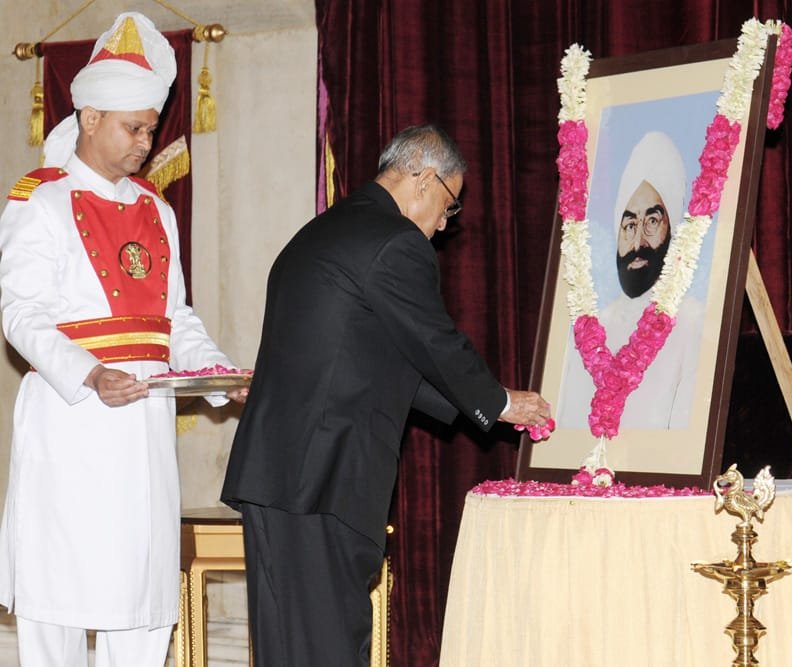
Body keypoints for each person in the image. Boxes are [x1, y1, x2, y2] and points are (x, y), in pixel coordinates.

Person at [221, 124, 552, 665]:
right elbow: (435, 341)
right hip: (324, 479)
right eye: (449, 205)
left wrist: (472, 407)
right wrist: (498, 402)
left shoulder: (321, 231)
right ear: (424, 178)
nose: (444, 224)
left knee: (285, 649)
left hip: (277, 477)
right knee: (329, 648)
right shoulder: (394, 241)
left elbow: (375, 360)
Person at [0, 12, 246, 666]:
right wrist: (88, 372)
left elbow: (175, 319)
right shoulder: (39, 202)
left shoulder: (156, 209)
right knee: (58, 593)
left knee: (140, 595)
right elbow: (21, 313)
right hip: (70, 420)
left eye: (150, 128)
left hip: (143, 431)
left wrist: (217, 372)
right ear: (89, 118)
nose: (146, 141)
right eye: (133, 128)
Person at [558, 130, 704, 430]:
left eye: (652, 221)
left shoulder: (693, 322)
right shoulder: (591, 328)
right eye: (629, 224)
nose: (638, 243)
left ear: (673, 229)